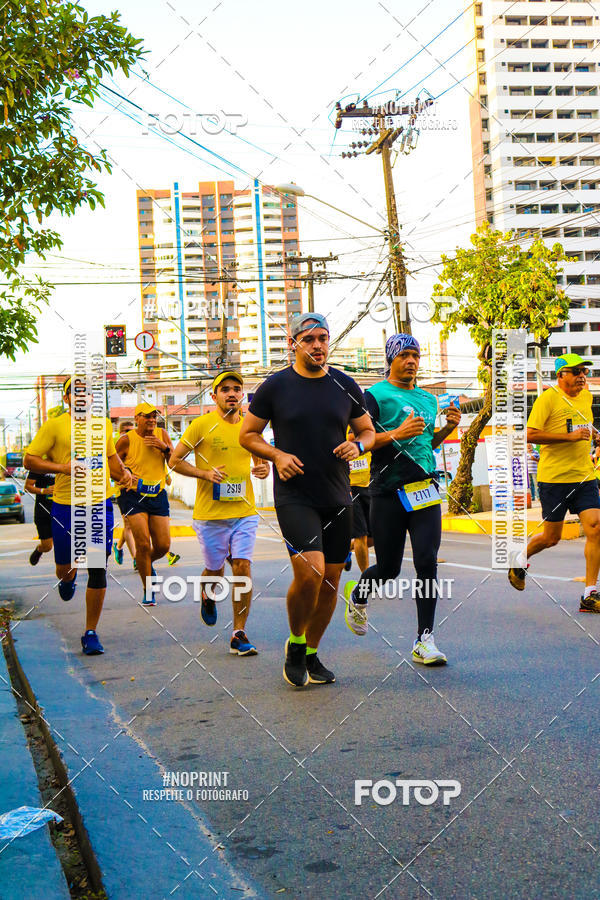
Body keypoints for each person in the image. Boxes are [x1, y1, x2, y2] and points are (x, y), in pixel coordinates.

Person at [239, 312, 375, 688]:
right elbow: (248, 435)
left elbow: (367, 431)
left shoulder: (345, 384)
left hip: (337, 495)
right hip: (295, 494)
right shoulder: (276, 386)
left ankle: (312, 653)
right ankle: (295, 643)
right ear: (294, 344)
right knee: (311, 571)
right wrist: (277, 456)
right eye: (310, 338)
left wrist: (358, 444)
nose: (317, 345)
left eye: (323, 338)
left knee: (331, 580)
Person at [343, 334, 461, 665]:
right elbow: (358, 441)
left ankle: (425, 638)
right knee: (390, 568)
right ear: (391, 359)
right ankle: (360, 593)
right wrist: (397, 432)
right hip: (386, 491)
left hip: (424, 489)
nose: (411, 361)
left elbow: (426, 446)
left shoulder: (428, 399)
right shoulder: (374, 396)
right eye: (404, 355)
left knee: (427, 560)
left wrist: (447, 430)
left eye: (415, 355)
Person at [24, 377, 132, 654]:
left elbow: (111, 459)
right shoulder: (54, 426)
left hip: (99, 504)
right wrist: (63, 467)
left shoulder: (103, 425)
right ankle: (67, 578)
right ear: (67, 398)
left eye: (88, 393)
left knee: (97, 567)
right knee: (66, 568)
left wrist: (124, 473)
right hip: (64, 506)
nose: (83, 397)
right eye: (77, 392)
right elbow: (29, 460)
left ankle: (90, 632)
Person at [169, 371, 270, 656]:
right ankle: (207, 594)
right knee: (215, 569)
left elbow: (260, 462)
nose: (231, 394)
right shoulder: (201, 425)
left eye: (236, 389)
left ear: (242, 395)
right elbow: (175, 461)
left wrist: (263, 469)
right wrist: (204, 473)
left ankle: (239, 632)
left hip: (244, 512)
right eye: (224, 389)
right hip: (210, 515)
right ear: (214, 396)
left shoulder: (251, 426)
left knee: (242, 567)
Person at [508, 354, 600, 613]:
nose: (582, 376)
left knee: (596, 527)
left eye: (584, 371)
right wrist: (569, 438)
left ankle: (590, 593)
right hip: (554, 479)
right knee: (551, 538)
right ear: (561, 375)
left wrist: (595, 434)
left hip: (583, 475)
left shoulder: (586, 396)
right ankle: (520, 559)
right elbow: (530, 433)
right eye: (576, 371)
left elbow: (585, 424)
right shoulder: (547, 399)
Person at [115, 403, 174, 605]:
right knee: (142, 543)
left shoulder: (162, 434)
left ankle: (145, 564)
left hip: (157, 494)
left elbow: (174, 460)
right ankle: (148, 589)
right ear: (137, 418)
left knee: (164, 545)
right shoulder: (125, 440)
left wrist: (163, 447)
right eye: (146, 416)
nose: (151, 420)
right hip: (132, 495)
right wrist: (125, 473)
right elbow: (111, 463)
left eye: (154, 417)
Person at [345, 427, 373, 573]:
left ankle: (344, 549)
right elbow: (350, 439)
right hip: (350, 488)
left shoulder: (367, 422)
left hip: (369, 486)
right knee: (360, 535)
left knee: (374, 538)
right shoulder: (342, 421)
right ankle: (366, 578)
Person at [112, 421, 137, 568]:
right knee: (128, 524)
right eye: (127, 431)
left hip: (137, 489)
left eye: (131, 430)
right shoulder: (117, 444)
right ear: (121, 432)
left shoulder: (135, 443)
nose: (129, 433)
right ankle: (136, 558)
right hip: (122, 489)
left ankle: (119, 546)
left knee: (131, 525)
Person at [24, 464, 54, 566]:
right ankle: (40, 549)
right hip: (43, 511)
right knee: (47, 546)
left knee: (67, 546)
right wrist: (44, 491)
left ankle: (69, 580)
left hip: (63, 510)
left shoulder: (67, 462)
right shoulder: (38, 465)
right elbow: (27, 487)